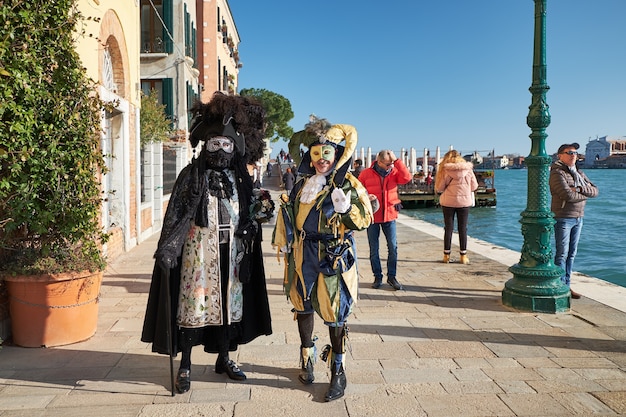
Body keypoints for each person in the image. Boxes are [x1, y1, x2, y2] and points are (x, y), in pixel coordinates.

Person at [141, 92, 273, 394]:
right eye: (215, 144)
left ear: (234, 147)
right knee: (194, 305)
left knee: (228, 307)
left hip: (232, 254)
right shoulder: (191, 175)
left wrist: (258, 216)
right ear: (206, 146)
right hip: (198, 253)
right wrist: (168, 248)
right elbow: (177, 212)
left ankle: (224, 358)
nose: (221, 149)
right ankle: (185, 364)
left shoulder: (240, 178)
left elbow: (253, 212)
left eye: (226, 144)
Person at [273, 116, 373, 402]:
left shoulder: (349, 183)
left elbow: (365, 219)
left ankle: (338, 371)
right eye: (316, 154)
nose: (321, 159)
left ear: (337, 153)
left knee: (335, 311)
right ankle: (307, 358)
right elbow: (292, 214)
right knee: (302, 305)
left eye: (326, 153)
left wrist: (344, 209)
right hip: (303, 253)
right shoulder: (303, 184)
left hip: (333, 254)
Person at [549, 142, 598, 299]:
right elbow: (566, 195)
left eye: (575, 153)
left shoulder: (578, 173)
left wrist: (578, 189)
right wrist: (584, 194)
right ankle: (558, 285)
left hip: (578, 217)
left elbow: (595, 191)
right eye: (569, 152)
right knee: (561, 254)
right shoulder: (557, 173)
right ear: (560, 156)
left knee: (571, 254)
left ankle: (567, 285)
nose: (573, 155)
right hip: (563, 217)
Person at [358, 149, 412, 290]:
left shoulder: (394, 172)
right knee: (374, 249)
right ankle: (377, 276)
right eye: (387, 164)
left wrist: (397, 161)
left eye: (391, 164)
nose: (390, 166)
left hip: (390, 215)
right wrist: (366, 197)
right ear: (379, 161)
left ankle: (392, 277)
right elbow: (357, 192)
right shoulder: (365, 174)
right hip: (373, 217)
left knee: (393, 248)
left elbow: (407, 178)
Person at [434, 149, 478, 265]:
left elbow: (440, 188)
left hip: (448, 202)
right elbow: (474, 186)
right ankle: (463, 256)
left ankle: (446, 255)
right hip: (464, 202)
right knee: (462, 228)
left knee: (448, 228)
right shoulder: (468, 170)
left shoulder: (446, 170)